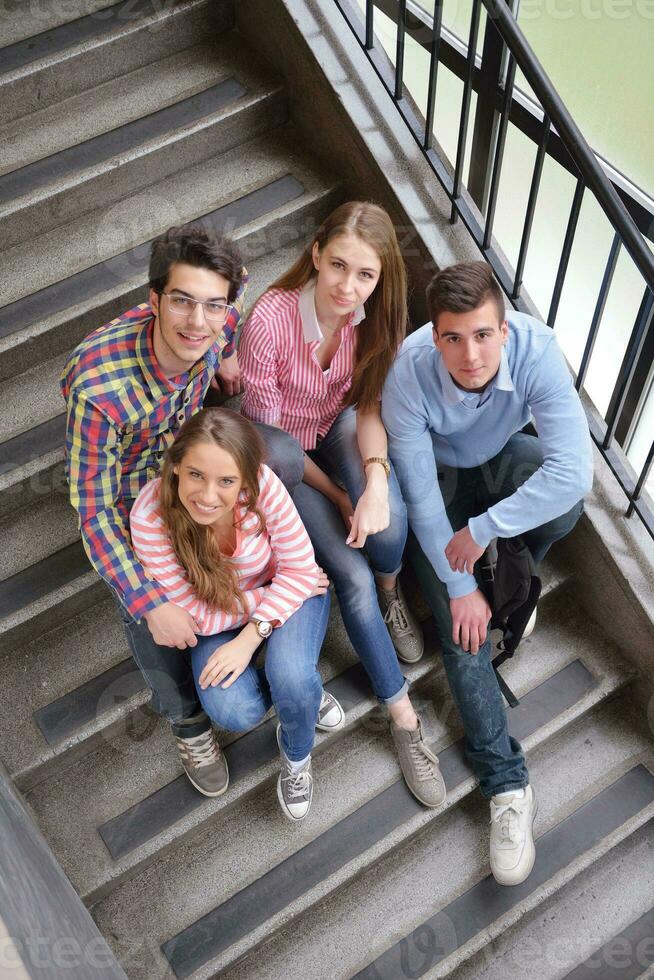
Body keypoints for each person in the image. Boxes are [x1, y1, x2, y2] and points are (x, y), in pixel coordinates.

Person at [61, 223, 300, 798]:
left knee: (284, 457)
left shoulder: (220, 323)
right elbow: (92, 512)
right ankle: (186, 720)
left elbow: (232, 305)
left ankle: (286, 609)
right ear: (154, 301)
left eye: (212, 306)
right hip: (133, 491)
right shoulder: (99, 389)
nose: (198, 322)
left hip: (194, 457)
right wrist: (150, 603)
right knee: (144, 603)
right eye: (183, 303)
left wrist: (229, 357)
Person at [382, 260, 593, 885]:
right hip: (440, 482)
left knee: (567, 502)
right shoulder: (408, 374)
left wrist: (482, 531)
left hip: (501, 462)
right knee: (462, 630)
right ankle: (507, 784)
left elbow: (573, 473)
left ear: (505, 330)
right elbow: (419, 499)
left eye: (482, 335)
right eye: (452, 338)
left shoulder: (537, 349)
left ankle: (517, 595)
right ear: (434, 335)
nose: (469, 354)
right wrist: (458, 586)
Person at [238, 201, 446, 809]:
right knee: (348, 576)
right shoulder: (271, 324)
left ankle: (393, 591)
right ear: (315, 253)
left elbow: (370, 407)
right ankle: (406, 722)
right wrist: (337, 494)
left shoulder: (371, 317)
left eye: (365, 275)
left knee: (387, 533)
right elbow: (273, 449)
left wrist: (374, 486)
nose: (348, 287)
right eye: (337, 266)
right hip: (286, 459)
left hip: (339, 427)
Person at [130, 409, 341, 820]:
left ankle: (297, 754)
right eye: (195, 475)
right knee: (233, 710)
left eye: (226, 481)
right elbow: (191, 617)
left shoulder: (263, 487)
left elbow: (302, 569)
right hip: (257, 600)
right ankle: (298, 698)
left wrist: (251, 637)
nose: (208, 496)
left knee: (293, 676)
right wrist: (266, 597)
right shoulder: (151, 517)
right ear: (175, 466)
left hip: (288, 599)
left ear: (245, 478)